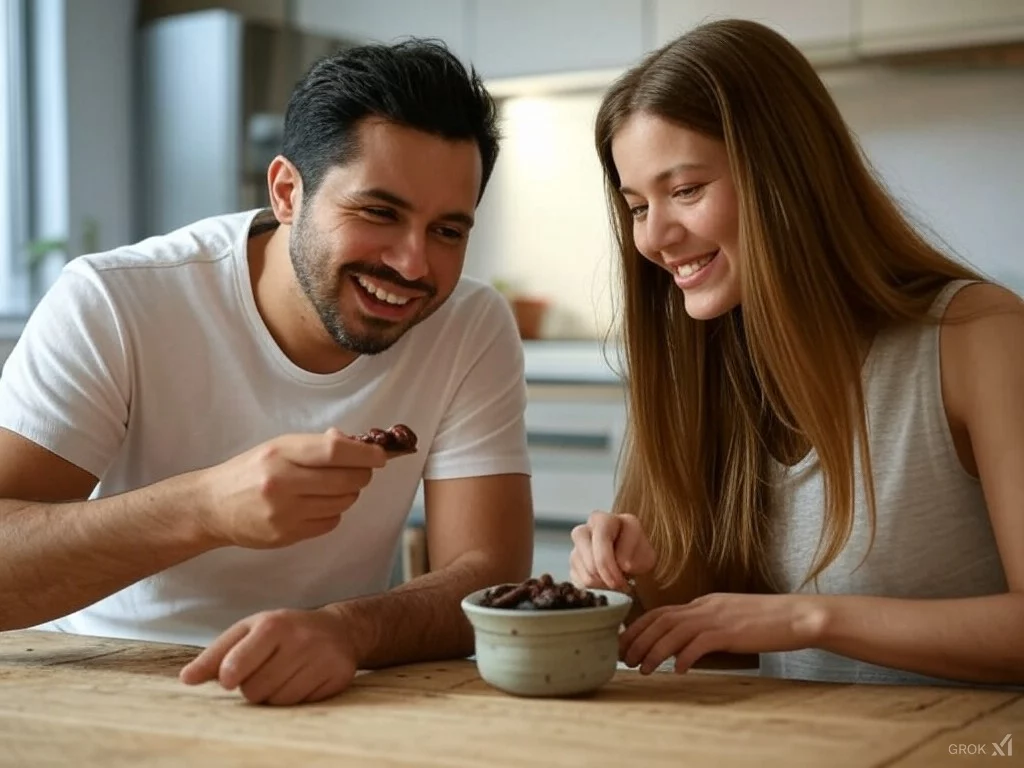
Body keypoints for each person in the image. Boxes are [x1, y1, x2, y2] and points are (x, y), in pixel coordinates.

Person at [0, 39, 534, 705]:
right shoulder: (113, 300)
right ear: (287, 191)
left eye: (448, 232)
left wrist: (348, 630)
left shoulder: (469, 325)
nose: (414, 265)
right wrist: (204, 508)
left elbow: (487, 575)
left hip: (333, 686)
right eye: (378, 212)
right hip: (106, 682)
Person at [570, 18, 1024, 687]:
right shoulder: (696, 364)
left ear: (787, 176)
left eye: (686, 190)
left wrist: (809, 618)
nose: (656, 237)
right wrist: (645, 574)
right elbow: (719, 650)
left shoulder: (978, 336)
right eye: (637, 206)